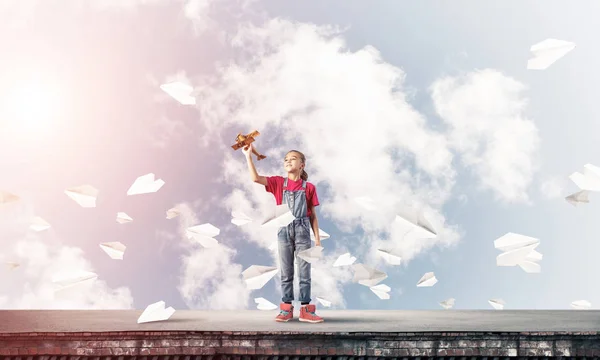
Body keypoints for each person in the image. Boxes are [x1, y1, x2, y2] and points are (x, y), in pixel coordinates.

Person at [242, 143, 324, 323]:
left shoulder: (309, 187)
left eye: (293, 158)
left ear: (302, 164)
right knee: (286, 272)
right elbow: (255, 178)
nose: (288, 161)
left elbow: (313, 215)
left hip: (303, 231)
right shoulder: (278, 183)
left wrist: (317, 240)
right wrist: (248, 156)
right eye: (286, 159)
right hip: (284, 231)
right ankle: (286, 309)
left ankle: (305, 309)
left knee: (304, 272)